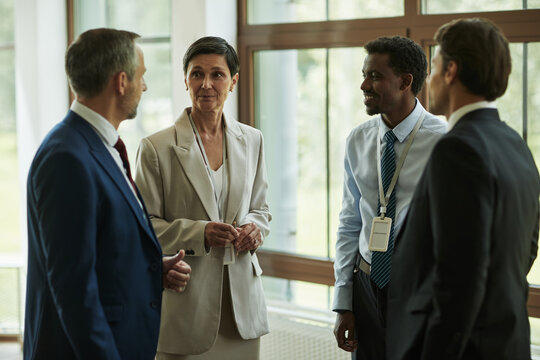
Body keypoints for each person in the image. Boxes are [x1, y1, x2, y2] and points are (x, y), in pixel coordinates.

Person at [24, 28, 192, 360]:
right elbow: (74, 291)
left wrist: (150, 270)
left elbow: (95, 250)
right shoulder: (66, 158)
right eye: (141, 77)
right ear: (121, 82)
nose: (144, 87)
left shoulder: (97, 145)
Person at [386, 18, 540, 360]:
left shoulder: (457, 150)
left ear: (452, 70)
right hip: (507, 342)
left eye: (436, 65)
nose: (431, 80)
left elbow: (458, 280)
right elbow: (528, 246)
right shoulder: (515, 143)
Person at [135, 36, 271, 360]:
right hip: (186, 311)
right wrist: (201, 233)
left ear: (233, 81)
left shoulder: (252, 140)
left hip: (243, 312)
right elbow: (143, 228)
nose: (206, 84)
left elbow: (261, 208)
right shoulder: (156, 148)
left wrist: (254, 227)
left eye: (217, 74)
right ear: (185, 80)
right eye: (197, 74)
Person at [332, 36, 447, 359]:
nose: (363, 85)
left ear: (405, 82)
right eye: (364, 75)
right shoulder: (358, 140)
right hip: (366, 287)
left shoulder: (445, 143)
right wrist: (344, 302)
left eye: (375, 76)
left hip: (420, 291)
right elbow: (349, 221)